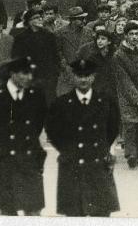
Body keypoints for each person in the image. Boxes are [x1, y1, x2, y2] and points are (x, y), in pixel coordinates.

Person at [45, 59, 120, 217]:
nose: (83, 79)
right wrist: (68, 149)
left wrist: (104, 149)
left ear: (93, 77)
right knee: (74, 214)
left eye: (87, 75)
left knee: (100, 214)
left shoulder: (105, 101)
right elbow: (53, 131)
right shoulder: (62, 103)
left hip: (98, 165)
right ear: (73, 77)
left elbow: (112, 128)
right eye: (79, 75)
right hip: (72, 165)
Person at [0, 57, 47, 216]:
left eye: (30, 74)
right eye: (24, 73)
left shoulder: (36, 96)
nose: (29, 77)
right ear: (12, 74)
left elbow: (38, 124)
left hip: (29, 160)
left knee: (34, 211)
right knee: (8, 211)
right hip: (3, 163)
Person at [113, 21, 138, 168]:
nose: (135, 37)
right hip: (127, 96)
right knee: (130, 126)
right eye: (131, 34)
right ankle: (131, 154)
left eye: (137, 34)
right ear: (125, 36)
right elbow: (124, 80)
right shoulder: (119, 55)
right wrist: (137, 99)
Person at [12, 8, 61, 106]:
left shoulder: (49, 36)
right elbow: (17, 58)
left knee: (48, 103)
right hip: (30, 77)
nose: (40, 19)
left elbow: (55, 56)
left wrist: (55, 72)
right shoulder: (20, 38)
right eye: (36, 18)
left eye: (40, 17)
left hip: (48, 77)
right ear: (29, 22)